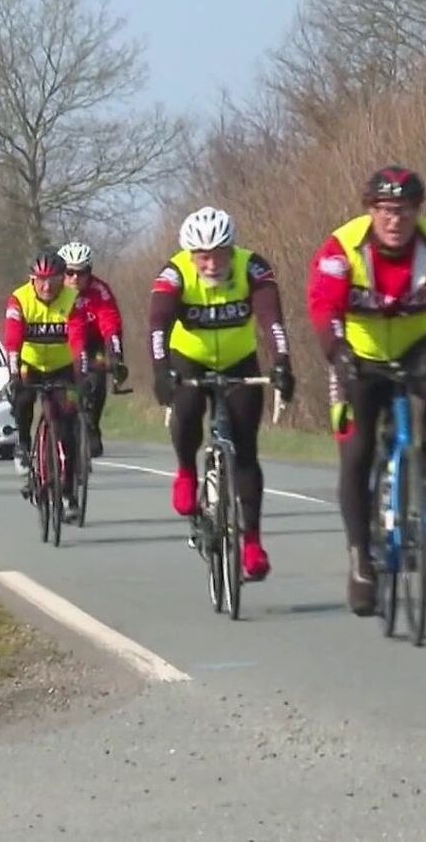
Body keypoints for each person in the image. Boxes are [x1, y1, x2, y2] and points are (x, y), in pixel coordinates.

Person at [306, 166, 426, 616]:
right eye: (385, 211)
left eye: (403, 211)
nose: (394, 220)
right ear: (371, 211)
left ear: (417, 212)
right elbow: (324, 303)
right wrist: (337, 349)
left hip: (415, 346)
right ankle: (361, 559)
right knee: (357, 452)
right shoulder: (341, 246)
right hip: (358, 354)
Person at [148, 206, 296, 582]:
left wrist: (281, 364)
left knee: (246, 451)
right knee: (187, 407)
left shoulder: (253, 268)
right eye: (202, 256)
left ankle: (252, 543)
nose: (210, 263)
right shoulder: (175, 273)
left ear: (232, 249)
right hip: (189, 358)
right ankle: (185, 471)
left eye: (218, 254)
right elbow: (157, 326)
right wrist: (161, 371)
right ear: (190, 254)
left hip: (238, 361)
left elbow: (272, 322)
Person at [3, 249, 93, 520]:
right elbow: (13, 338)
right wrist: (13, 372)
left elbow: (78, 339)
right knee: (22, 398)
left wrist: (83, 371)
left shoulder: (72, 299)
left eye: (52, 279)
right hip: (29, 364)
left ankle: (67, 493)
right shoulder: (19, 299)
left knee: (67, 429)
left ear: (61, 279)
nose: (46, 286)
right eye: (40, 279)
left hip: (61, 367)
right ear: (32, 278)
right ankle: (22, 442)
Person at [57, 240, 129, 457]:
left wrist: (116, 356)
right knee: (67, 385)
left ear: (90, 272)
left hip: (93, 343)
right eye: (69, 272)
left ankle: (92, 426)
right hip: (61, 344)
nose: (75, 279)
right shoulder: (53, 290)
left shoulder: (99, 291)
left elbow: (111, 324)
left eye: (82, 272)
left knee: (97, 380)